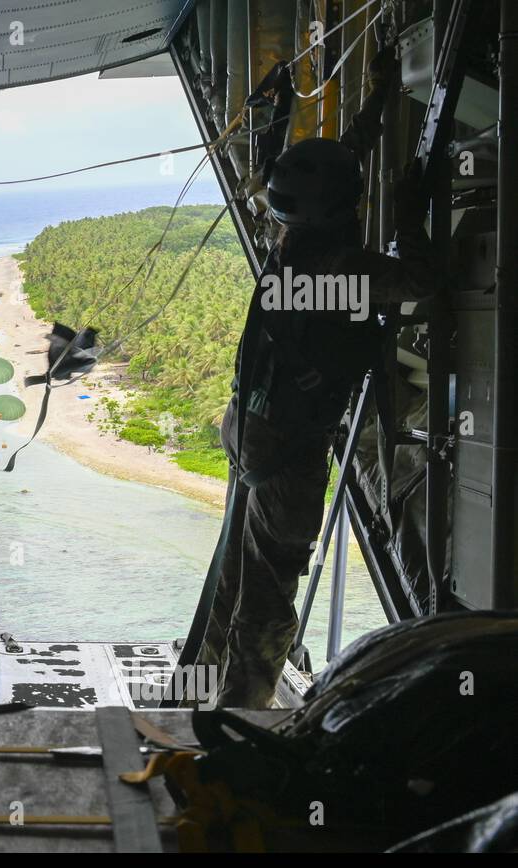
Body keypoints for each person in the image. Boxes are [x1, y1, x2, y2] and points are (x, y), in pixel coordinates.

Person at [194, 51, 440, 708]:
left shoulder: (289, 244)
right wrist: (411, 213)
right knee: (269, 597)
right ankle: (238, 724)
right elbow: (418, 283)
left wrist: (376, 100)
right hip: (289, 457)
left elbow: (335, 172)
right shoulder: (345, 275)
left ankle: (194, 692)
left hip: (247, 427)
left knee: (233, 576)